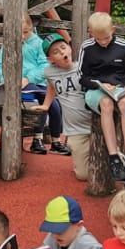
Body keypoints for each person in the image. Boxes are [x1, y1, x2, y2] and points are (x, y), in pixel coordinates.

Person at [79, 12, 125, 183]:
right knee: (106, 104)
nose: (103, 42)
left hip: (121, 89)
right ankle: (114, 159)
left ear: (113, 30)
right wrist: (99, 84)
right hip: (97, 90)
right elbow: (81, 77)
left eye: (106, 38)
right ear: (91, 33)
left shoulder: (124, 46)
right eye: (98, 39)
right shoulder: (86, 47)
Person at [40, 36, 93, 181]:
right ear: (51, 59)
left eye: (63, 48)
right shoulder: (49, 72)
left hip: (97, 124)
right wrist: (46, 105)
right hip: (76, 129)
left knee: (111, 162)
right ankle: (76, 150)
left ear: (70, 48)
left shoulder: (83, 67)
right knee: (83, 175)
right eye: (56, 52)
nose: (62, 52)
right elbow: (51, 86)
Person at [0, 16, 53, 154]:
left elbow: (44, 65)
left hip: (35, 82)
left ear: (31, 29)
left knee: (47, 103)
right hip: (14, 84)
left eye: (26, 32)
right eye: (19, 33)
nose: (22, 36)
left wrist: (29, 78)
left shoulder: (38, 43)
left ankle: (39, 138)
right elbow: (0, 64)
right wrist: (6, 81)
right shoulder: (8, 43)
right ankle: (17, 140)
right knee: (16, 101)